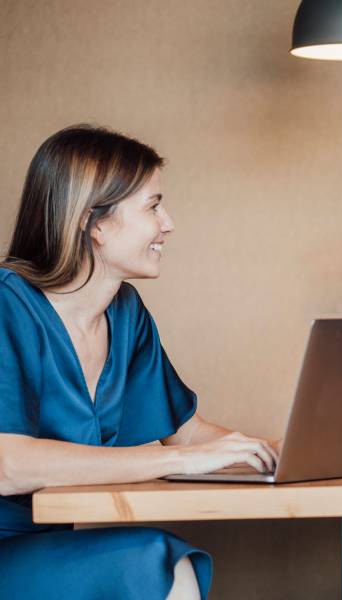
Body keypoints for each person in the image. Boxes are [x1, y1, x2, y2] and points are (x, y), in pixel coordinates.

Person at [0, 125, 281, 599]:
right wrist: (180, 461)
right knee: (157, 561)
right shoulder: (8, 306)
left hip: (54, 547)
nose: (168, 223)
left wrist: (284, 451)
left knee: (156, 559)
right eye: (153, 206)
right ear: (95, 223)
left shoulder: (125, 313)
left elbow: (186, 431)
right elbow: (8, 463)